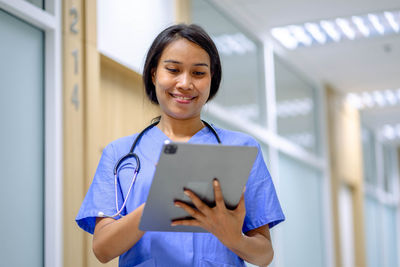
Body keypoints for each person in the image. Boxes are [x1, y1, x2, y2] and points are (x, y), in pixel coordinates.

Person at [76, 24, 285, 267]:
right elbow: (102, 250)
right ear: (154, 73)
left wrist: (234, 239)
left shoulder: (241, 149)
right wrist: (155, 206)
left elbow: (264, 255)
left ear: (212, 79)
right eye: (173, 70)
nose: (185, 83)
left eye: (198, 73)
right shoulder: (120, 153)